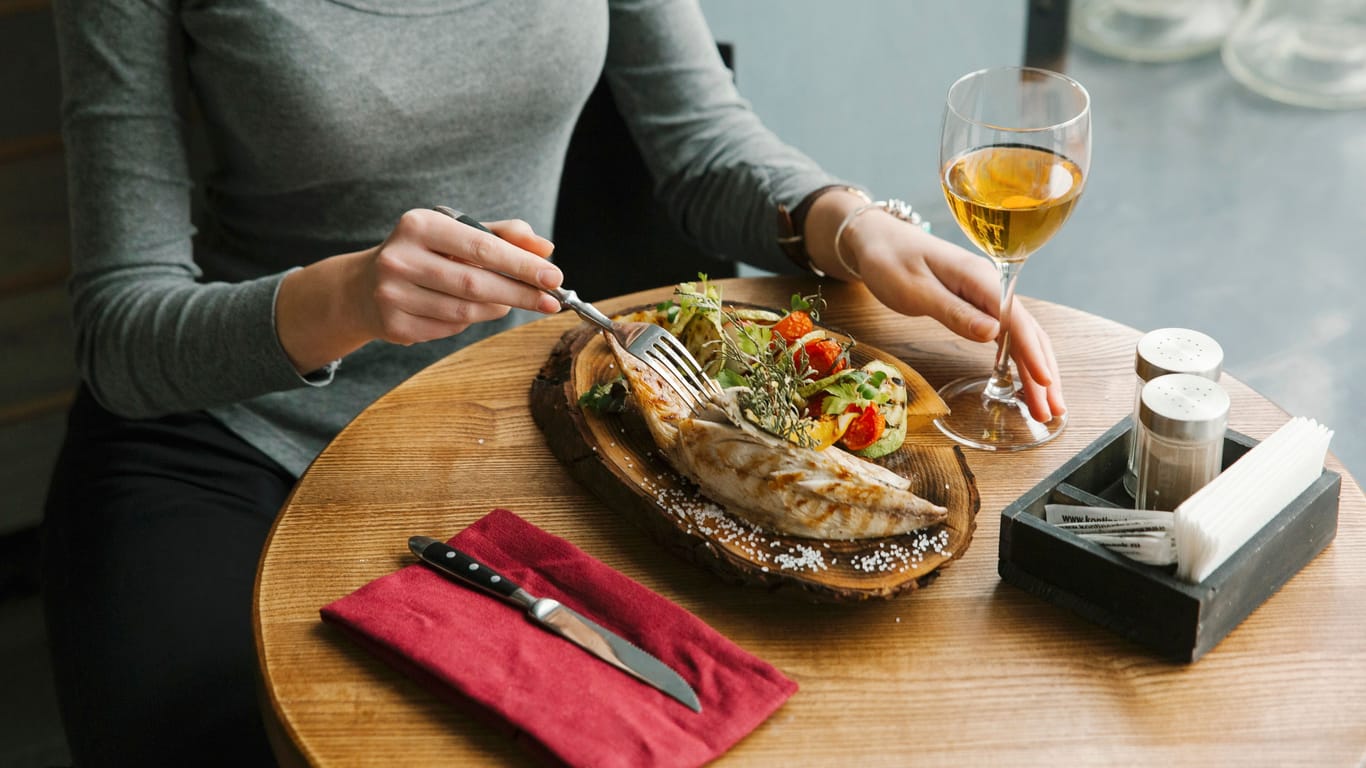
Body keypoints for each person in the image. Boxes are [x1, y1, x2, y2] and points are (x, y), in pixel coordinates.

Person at [41, 1, 1065, 764]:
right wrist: (348, 298)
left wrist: (843, 220)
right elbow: (121, 334)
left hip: (498, 412)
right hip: (222, 433)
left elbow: (699, 136)